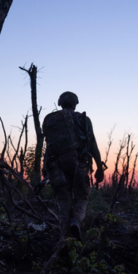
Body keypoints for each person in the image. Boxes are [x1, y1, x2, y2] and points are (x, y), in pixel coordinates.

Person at [42, 91, 103, 240]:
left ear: (60, 103)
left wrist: (45, 169)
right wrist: (99, 168)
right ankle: (76, 221)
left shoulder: (50, 120)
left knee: (63, 201)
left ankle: (65, 237)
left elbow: (48, 148)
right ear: (76, 103)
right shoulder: (83, 120)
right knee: (81, 198)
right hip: (79, 166)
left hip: (56, 167)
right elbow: (92, 144)